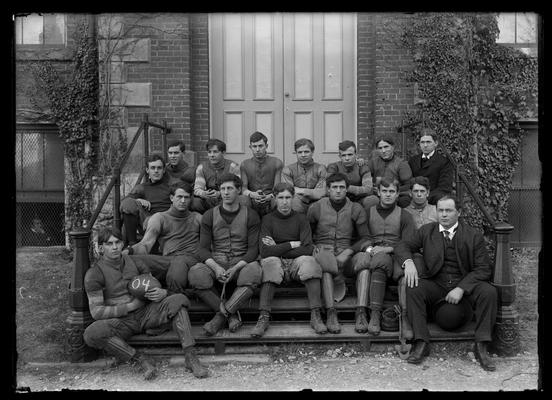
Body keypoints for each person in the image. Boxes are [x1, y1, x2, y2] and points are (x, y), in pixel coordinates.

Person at [83, 226, 208, 380]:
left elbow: (151, 284)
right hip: (121, 322)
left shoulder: (135, 262)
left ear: (123, 244)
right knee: (92, 333)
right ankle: (140, 360)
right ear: (101, 248)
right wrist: (129, 307)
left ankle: (191, 357)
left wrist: (162, 292)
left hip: (147, 313)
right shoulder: (94, 274)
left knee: (177, 300)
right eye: (109, 244)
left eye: (117, 242)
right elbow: (96, 312)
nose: (115, 247)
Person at [395, 195, 497, 371]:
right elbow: (402, 245)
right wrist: (408, 262)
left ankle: (482, 345)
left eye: (448, 210)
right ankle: (421, 342)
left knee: (489, 292)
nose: (443, 215)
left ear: (459, 212)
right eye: (440, 210)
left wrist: (461, 288)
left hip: (464, 284)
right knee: (413, 287)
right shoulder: (427, 231)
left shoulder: (473, 235)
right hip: (437, 283)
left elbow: (483, 269)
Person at [188, 173, 262, 336]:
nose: (226, 192)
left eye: (230, 188)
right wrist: (215, 268)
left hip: (241, 260)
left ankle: (220, 316)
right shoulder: (209, 215)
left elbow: (253, 250)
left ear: (239, 190)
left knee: (254, 272)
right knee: (196, 273)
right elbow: (203, 249)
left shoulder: (251, 215)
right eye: (222, 189)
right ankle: (231, 315)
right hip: (217, 260)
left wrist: (235, 268)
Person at [252, 182, 327, 337]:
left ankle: (316, 315)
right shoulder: (267, 219)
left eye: (287, 197)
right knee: (270, 262)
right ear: (274, 198)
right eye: (280, 198)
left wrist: (278, 247)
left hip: (296, 264)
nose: (284, 202)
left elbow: (307, 248)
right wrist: (291, 244)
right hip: (276, 263)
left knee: (310, 262)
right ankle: (263, 316)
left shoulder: (301, 219)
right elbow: (265, 251)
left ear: (293, 198)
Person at [307, 173, 372, 334]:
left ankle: (361, 312)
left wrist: (348, 251)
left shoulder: (355, 208)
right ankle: (331, 312)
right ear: (328, 189)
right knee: (326, 265)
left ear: (347, 189)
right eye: (334, 187)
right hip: (324, 253)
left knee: (364, 262)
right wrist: (317, 250)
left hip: (346, 255)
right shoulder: (316, 207)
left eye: (342, 187)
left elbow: (366, 238)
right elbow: (307, 236)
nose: (338, 191)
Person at [357, 177, 416, 336]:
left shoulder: (405, 215)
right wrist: (370, 249)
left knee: (404, 274)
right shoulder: (368, 212)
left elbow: (409, 242)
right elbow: (362, 237)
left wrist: (390, 248)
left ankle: (405, 318)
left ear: (397, 194)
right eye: (384, 191)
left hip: (397, 253)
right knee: (379, 263)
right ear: (378, 192)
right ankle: (375, 314)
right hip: (375, 254)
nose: (388, 195)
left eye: (391, 191)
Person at [122, 181, 201, 296]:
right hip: (167, 261)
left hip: (191, 260)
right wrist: (128, 251)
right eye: (179, 197)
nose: (183, 201)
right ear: (171, 198)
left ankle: (172, 294)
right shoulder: (160, 218)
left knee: (179, 265)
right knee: (129, 260)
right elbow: (146, 244)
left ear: (190, 199)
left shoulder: (198, 218)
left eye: (186, 197)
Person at [120, 154, 172, 247]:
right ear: (147, 170)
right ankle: (132, 243)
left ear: (164, 170)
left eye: (159, 168)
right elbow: (124, 203)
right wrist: (138, 200)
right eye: (153, 168)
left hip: (167, 222)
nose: (156, 171)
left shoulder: (171, 186)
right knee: (128, 204)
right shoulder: (142, 188)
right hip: (147, 223)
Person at [193, 138, 245, 213]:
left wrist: (220, 193)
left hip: (226, 198)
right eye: (209, 152)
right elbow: (197, 189)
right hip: (208, 199)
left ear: (223, 153)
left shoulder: (233, 166)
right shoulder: (201, 167)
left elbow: (237, 189)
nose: (212, 155)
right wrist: (204, 193)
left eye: (215, 152)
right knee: (195, 202)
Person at [240, 131, 284, 217]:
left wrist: (269, 196)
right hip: (252, 198)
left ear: (266, 146)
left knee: (278, 200)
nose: (257, 149)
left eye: (260, 146)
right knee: (242, 200)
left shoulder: (277, 162)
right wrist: (252, 194)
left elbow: (278, 187)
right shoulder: (244, 164)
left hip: (271, 197)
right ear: (250, 147)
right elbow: (243, 188)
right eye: (254, 146)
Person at [364, 135, 413, 209]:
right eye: (380, 148)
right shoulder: (373, 162)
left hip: (397, 194)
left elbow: (408, 185)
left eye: (386, 147)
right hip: (377, 194)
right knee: (369, 201)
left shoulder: (402, 164)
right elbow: (364, 176)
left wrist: (393, 189)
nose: (383, 151)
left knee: (404, 201)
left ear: (393, 147)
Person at [408, 129, 454, 205]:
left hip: (433, 198)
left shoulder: (444, 162)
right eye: (422, 142)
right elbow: (409, 182)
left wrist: (426, 197)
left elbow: (445, 188)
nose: (425, 145)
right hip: (415, 196)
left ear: (435, 143)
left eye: (428, 142)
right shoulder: (413, 161)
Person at [281, 138, 327, 214]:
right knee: (293, 201)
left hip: (317, 202)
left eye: (306, 152)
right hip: (297, 203)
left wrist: (301, 190)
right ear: (296, 153)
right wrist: (312, 193)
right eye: (300, 152)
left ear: (312, 152)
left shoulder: (321, 169)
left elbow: (321, 193)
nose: (303, 155)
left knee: (324, 202)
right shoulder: (288, 170)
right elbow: (288, 192)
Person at [326, 140, 374, 212]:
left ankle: (365, 222)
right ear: (339, 156)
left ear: (356, 154)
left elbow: (368, 189)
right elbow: (328, 187)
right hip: (339, 199)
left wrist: (346, 187)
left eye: (350, 154)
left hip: (359, 199)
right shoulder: (333, 167)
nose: (347, 158)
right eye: (344, 155)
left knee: (372, 200)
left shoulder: (362, 167)